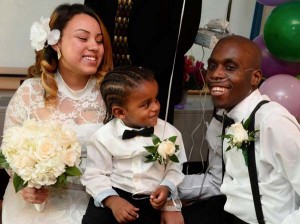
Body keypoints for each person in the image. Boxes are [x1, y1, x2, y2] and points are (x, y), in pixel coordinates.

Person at [1, 3, 113, 224]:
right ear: (56, 43)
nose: (94, 47)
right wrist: (26, 185)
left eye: (99, 41)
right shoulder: (30, 92)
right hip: (36, 207)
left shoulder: (111, 94)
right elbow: (8, 154)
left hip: (95, 206)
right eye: (83, 38)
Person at [180, 35, 300, 224]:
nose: (215, 75)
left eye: (230, 67)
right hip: (227, 212)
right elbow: (216, 181)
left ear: (255, 77)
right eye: (212, 66)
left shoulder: (273, 121)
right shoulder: (220, 122)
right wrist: (168, 187)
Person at [81, 66, 186, 223]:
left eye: (156, 99)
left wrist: (166, 187)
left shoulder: (170, 133)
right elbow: (94, 174)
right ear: (120, 112)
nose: (156, 107)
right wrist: (112, 200)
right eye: (146, 104)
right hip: (114, 195)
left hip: (150, 202)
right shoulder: (103, 137)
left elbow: (174, 168)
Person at [84, 0, 202, 124]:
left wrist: (142, 76)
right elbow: (90, 14)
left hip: (154, 80)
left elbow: (183, 33)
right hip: (101, 75)